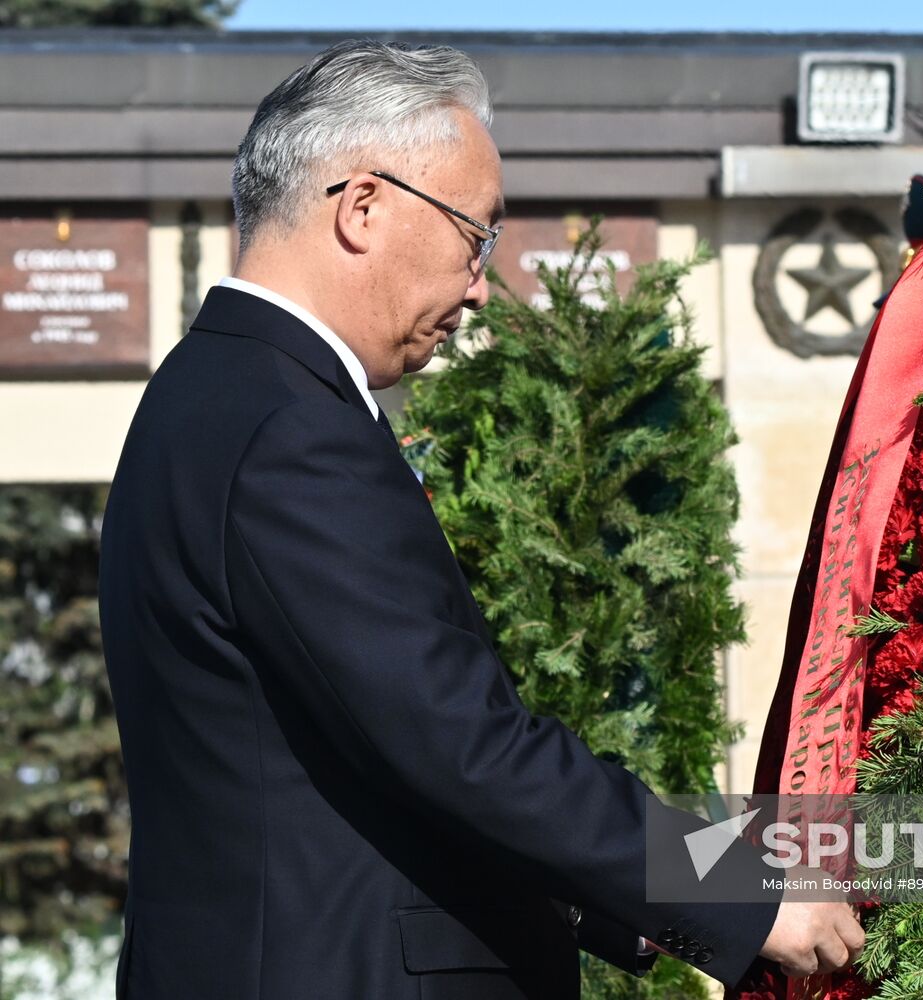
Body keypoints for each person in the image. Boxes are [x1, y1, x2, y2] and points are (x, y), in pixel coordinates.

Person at [98, 40, 864, 1000]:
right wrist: (736, 891)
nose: (477, 285)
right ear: (363, 207)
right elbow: (461, 741)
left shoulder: (215, 395)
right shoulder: (288, 425)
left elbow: (380, 764)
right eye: (476, 235)